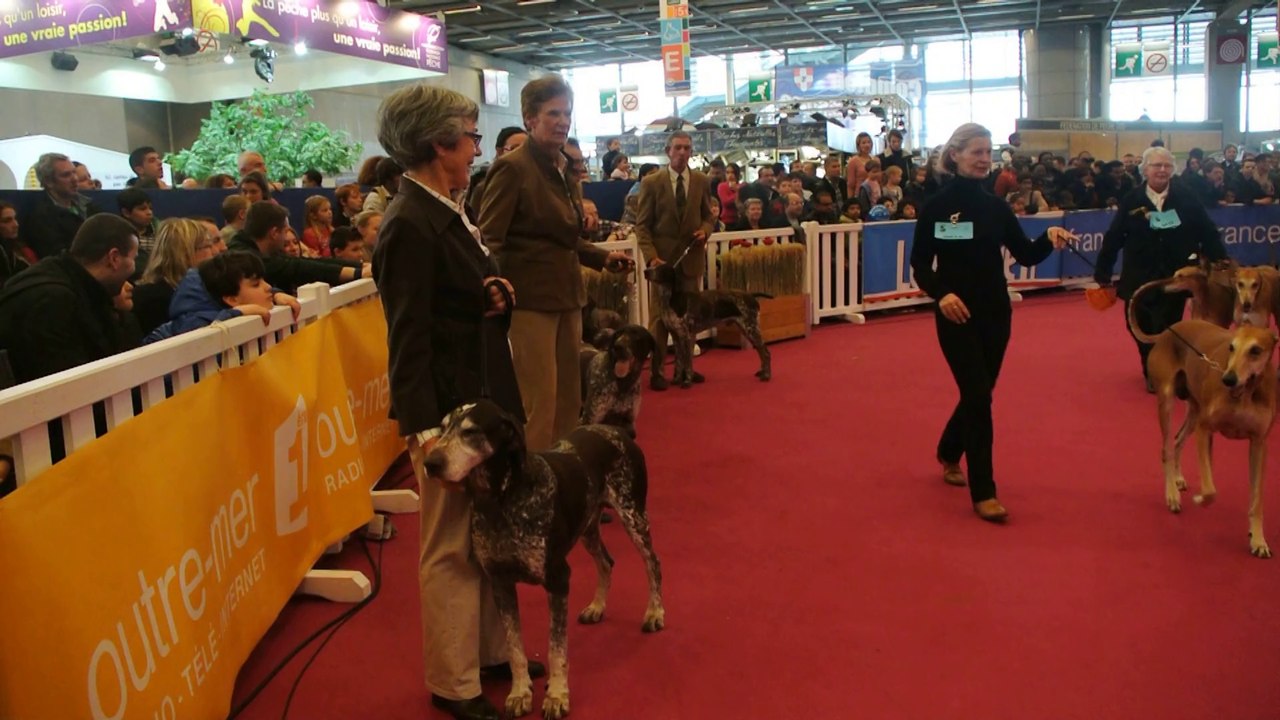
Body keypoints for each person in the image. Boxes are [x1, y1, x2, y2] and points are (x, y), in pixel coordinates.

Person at [372, 83, 529, 720]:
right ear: (439, 144)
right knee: (448, 548)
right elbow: (406, 336)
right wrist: (424, 431)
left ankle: (491, 653)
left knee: (486, 536)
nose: (475, 150)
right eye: (469, 138)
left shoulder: (441, 209)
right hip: (447, 416)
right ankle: (452, 682)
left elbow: (457, 301)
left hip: (476, 401)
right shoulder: (410, 223)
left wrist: (495, 295)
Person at [909, 123, 1075, 522]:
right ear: (955, 155)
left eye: (988, 152)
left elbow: (1025, 254)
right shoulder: (934, 205)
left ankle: (949, 450)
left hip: (996, 313)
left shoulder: (997, 207)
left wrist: (1049, 238)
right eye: (976, 152)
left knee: (979, 392)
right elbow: (919, 264)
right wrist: (941, 294)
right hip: (955, 313)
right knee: (979, 396)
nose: (984, 159)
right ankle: (984, 491)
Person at [478, 75, 628, 451]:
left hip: (567, 296)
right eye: (553, 113)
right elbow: (489, 238)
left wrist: (601, 256)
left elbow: (561, 236)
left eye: (567, 113)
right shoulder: (513, 169)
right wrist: (492, 287)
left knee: (568, 399)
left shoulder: (561, 167)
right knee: (538, 403)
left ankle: (563, 482)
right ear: (530, 119)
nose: (562, 121)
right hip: (529, 302)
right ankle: (532, 491)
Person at [1094, 146, 1227, 393]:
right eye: (1157, 166)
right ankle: (1150, 366)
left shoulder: (1187, 197)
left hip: (1175, 275)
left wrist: (1221, 260)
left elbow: (1206, 231)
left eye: (1166, 166)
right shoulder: (1132, 199)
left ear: (1173, 170)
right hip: (1138, 274)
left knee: (1169, 326)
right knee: (1138, 325)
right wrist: (1102, 272)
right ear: (1145, 169)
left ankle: (1168, 370)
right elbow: (1114, 236)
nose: (1162, 170)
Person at [0, 214, 140, 384]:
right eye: (134, 259)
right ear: (114, 258)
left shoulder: (60, 279)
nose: (134, 268)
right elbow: (67, 388)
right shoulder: (53, 303)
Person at [633, 130, 715, 391]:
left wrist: (705, 230)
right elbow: (642, 226)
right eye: (678, 147)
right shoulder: (652, 183)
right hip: (662, 265)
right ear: (668, 151)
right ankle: (657, 372)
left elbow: (708, 216)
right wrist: (652, 258)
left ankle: (685, 368)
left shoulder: (701, 180)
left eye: (687, 148)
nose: (682, 152)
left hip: (691, 260)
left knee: (687, 320)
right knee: (659, 321)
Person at [132, 218, 220, 335]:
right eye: (208, 246)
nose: (216, 251)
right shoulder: (152, 300)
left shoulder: (207, 289)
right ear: (185, 252)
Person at [23, 153, 104, 259]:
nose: (75, 179)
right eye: (66, 175)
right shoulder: (41, 218)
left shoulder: (89, 205)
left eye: (74, 172)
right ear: (48, 182)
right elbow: (59, 257)